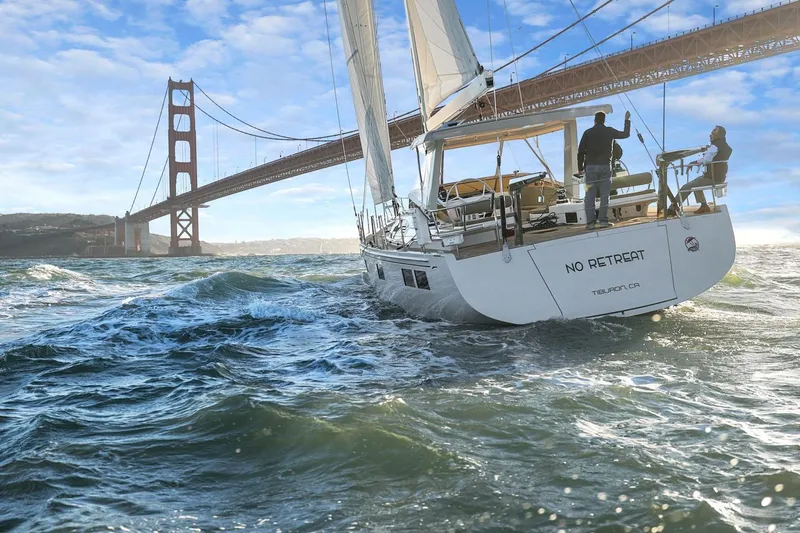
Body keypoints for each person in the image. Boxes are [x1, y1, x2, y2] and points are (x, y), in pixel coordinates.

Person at [577, 110, 631, 229]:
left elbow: (580, 151)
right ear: (604, 120)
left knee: (589, 196)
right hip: (605, 167)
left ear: (595, 120)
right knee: (604, 195)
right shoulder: (609, 131)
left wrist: (580, 168)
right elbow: (626, 134)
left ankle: (590, 223)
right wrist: (627, 120)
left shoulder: (587, 133)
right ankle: (603, 221)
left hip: (590, 168)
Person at [676, 125, 732, 214]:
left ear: (719, 135)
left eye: (713, 132)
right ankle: (703, 206)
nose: (710, 134)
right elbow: (713, 156)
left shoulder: (715, 146)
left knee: (686, 187)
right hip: (719, 177)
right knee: (695, 184)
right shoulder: (725, 147)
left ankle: (673, 208)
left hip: (711, 178)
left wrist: (693, 162)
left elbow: (706, 160)